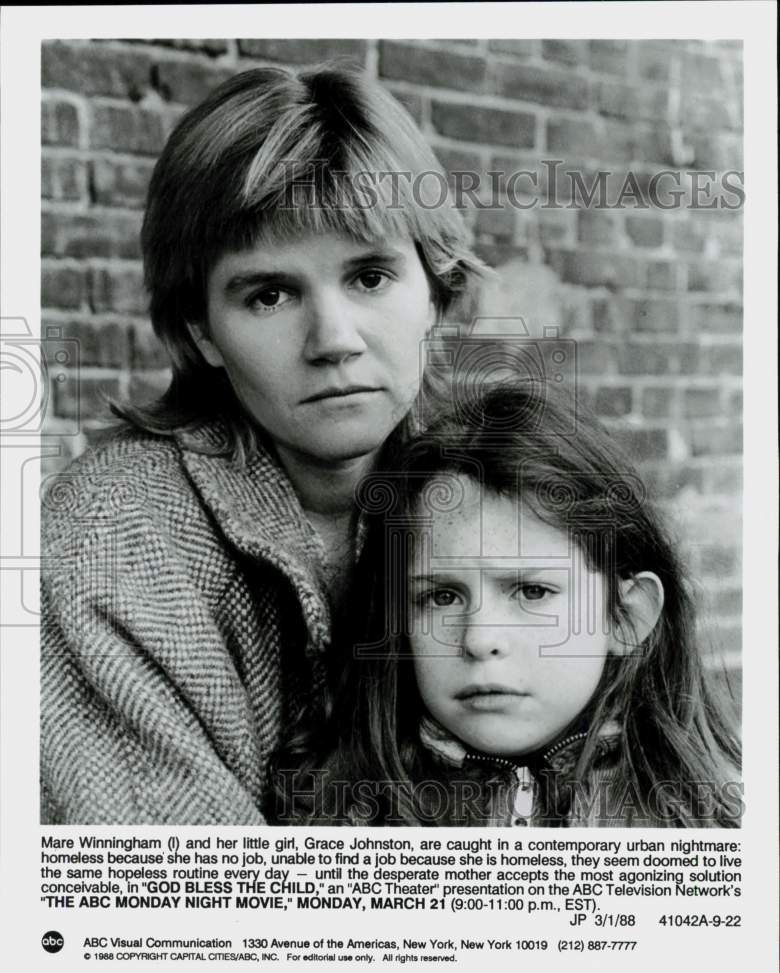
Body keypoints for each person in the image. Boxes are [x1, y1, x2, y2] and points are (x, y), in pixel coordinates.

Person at [40, 65, 484, 823]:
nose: (334, 340)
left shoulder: (507, 491)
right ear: (200, 333)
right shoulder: (112, 534)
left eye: (371, 276)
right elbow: (195, 909)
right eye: (269, 295)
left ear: (434, 292)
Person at [273, 381, 742, 827]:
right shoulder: (337, 813)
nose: (479, 639)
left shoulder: (718, 816)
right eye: (441, 596)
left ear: (625, 616)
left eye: (532, 592)